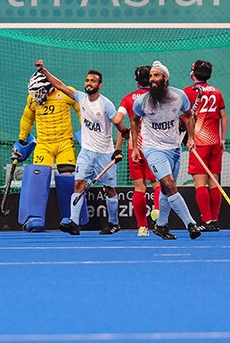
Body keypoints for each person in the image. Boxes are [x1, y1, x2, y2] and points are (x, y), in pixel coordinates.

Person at [33, 60, 127, 235]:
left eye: (93, 81)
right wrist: (44, 70)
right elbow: (59, 85)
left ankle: (114, 223)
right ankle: (74, 223)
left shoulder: (106, 104)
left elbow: (121, 128)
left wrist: (118, 150)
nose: (88, 83)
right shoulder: (80, 98)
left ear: (100, 85)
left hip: (105, 153)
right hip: (86, 152)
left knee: (109, 189)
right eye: (87, 80)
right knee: (78, 184)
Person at [131, 61, 201, 241]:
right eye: (151, 76)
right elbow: (134, 121)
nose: (152, 79)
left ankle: (161, 226)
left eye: (156, 75)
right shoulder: (142, 101)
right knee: (170, 184)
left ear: (165, 78)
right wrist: (136, 148)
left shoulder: (179, 96)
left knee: (165, 189)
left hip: (174, 148)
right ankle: (191, 224)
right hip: (153, 149)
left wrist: (191, 138)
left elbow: (189, 115)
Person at [12, 69, 87, 232]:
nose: (36, 95)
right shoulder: (32, 100)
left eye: (38, 92)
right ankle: (34, 217)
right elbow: (27, 118)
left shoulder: (66, 93)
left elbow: (82, 109)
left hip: (64, 144)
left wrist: (86, 130)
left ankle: (71, 217)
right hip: (43, 144)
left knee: (68, 178)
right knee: (37, 177)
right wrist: (21, 139)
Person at [112, 66, 161, 237]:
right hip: (156, 147)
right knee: (158, 185)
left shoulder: (128, 99)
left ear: (136, 80)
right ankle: (160, 221)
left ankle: (142, 227)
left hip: (135, 148)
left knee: (139, 188)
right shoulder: (160, 96)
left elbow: (117, 120)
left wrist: (125, 133)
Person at [183, 60, 228, 232]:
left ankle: (207, 221)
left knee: (200, 183)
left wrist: (190, 138)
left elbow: (188, 117)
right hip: (215, 141)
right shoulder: (217, 92)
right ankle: (214, 220)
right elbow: (224, 117)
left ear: (193, 72)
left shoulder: (188, 92)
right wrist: (222, 139)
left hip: (200, 142)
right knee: (214, 181)